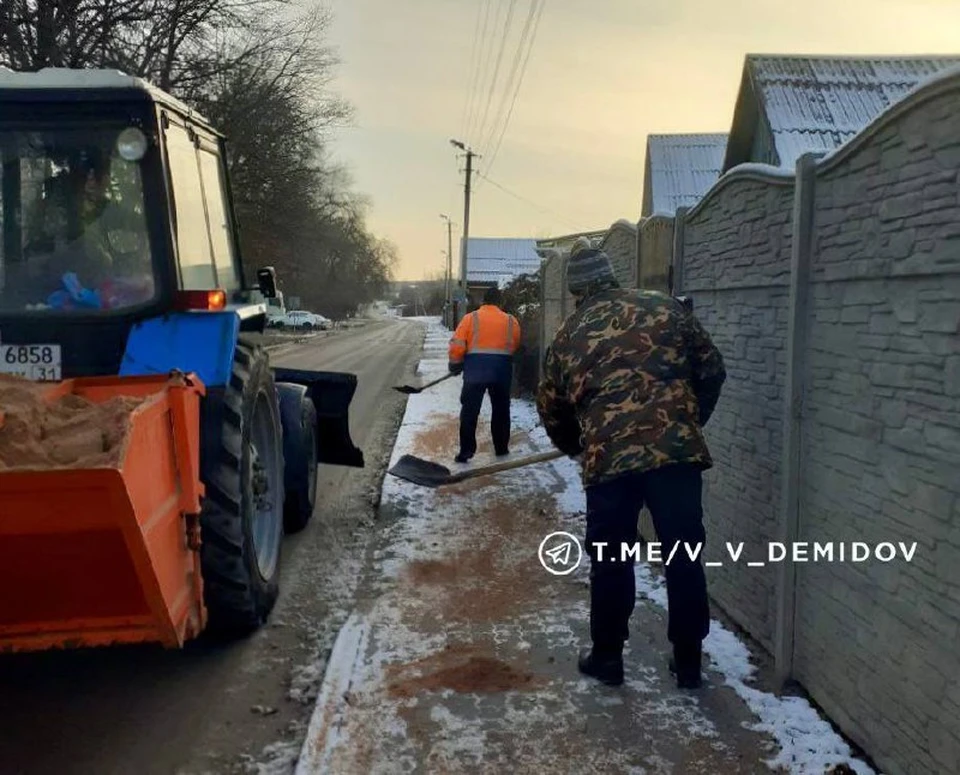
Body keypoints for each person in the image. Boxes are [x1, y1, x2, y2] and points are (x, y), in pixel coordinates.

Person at [536, 246, 726, 690]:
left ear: (576, 289)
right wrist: (686, 423)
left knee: (611, 560)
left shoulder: (569, 334)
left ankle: (607, 658)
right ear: (611, 275)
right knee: (683, 556)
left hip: (610, 463)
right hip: (675, 458)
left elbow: (552, 408)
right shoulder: (665, 308)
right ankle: (689, 661)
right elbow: (712, 369)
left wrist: (579, 447)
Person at [448, 287, 521, 463]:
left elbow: (457, 344)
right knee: (501, 410)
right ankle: (501, 448)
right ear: (500, 302)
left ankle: (466, 451)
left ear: (484, 301)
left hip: (475, 369)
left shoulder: (470, 318)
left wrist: (455, 363)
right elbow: (515, 344)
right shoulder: (511, 321)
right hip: (501, 370)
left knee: (469, 411)